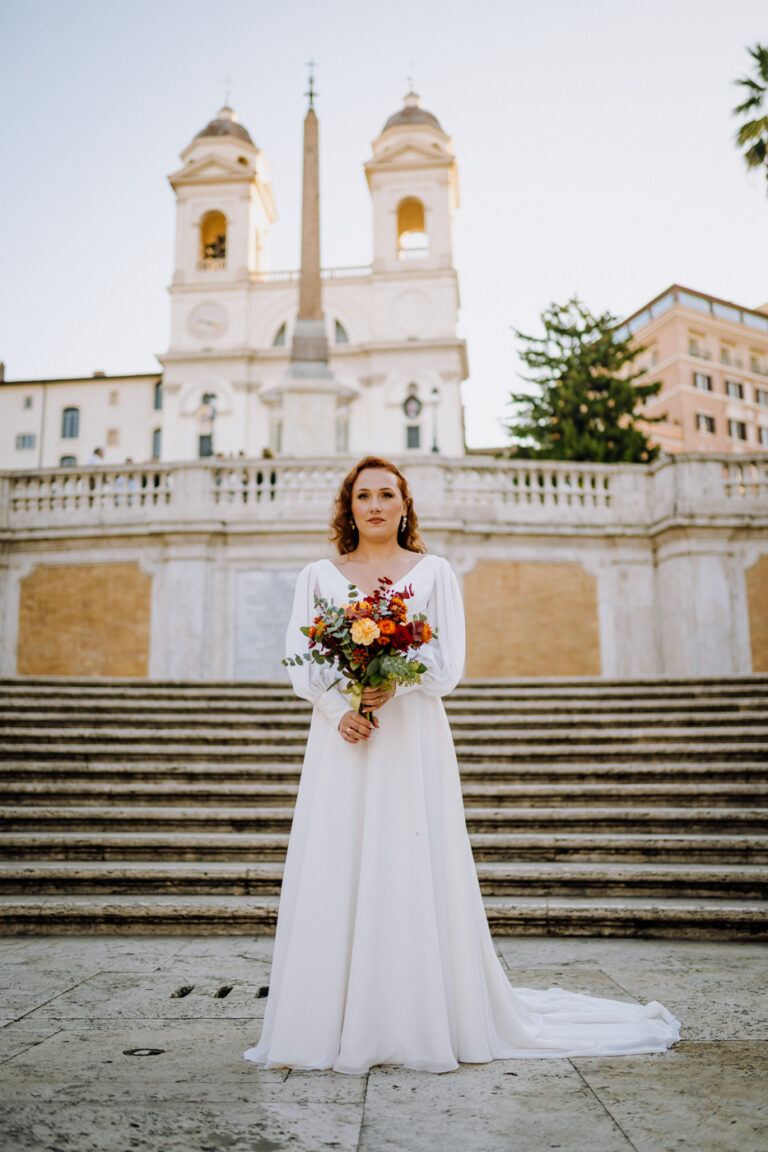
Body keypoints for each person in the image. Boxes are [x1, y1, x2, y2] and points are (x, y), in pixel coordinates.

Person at [244, 455, 680, 1074]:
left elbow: (447, 665)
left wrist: (393, 683)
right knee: (340, 856)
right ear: (349, 506)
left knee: (411, 856)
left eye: (386, 494)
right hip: (341, 738)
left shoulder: (434, 573)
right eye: (362, 495)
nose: (374, 505)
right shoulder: (319, 575)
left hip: (410, 735)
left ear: (404, 505)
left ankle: (420, 1012)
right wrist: (335, 703)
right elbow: (301, 655)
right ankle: (331, 1018)